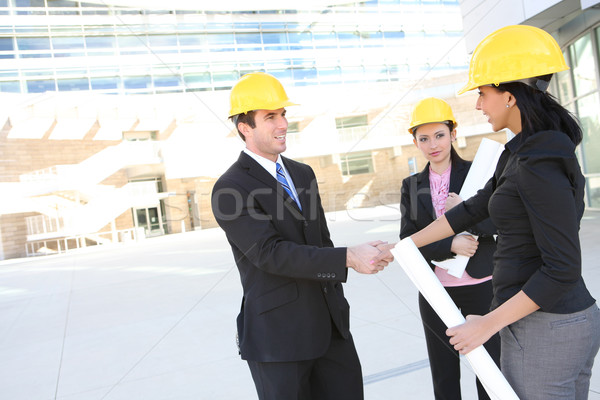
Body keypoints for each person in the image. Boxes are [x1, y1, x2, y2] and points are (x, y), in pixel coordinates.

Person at [387, 25, 600, 399]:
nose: (479, 105)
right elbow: (473, 208)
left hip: (550, 324)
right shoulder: (518, 154)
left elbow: (562, 268)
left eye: (483, 93)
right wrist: (401, 247)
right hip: (537, 320)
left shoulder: (540, 162)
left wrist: (486, 325)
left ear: (511, 96)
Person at [210, 72, 392, 400]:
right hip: (279, 341)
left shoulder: (302, 173)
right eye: (270, 117)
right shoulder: (230, 187)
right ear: (245, 127)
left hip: (331, 330)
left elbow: (320, 242)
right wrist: (348, 257)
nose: (282, 124)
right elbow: (270, 253)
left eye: (283, 114)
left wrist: (360, 257)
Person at [400, 97, 500, 400]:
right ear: (416, 142)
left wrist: (466, 213)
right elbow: (408, 240)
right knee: (444, 372)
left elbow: (499, 222)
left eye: (440, 135)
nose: (434, 144)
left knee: (489, 366)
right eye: (424, 138)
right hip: (435, 289)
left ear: (453, 134)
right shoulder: (410, 185)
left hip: (481, 284)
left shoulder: (479, 172)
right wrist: (450, 242)